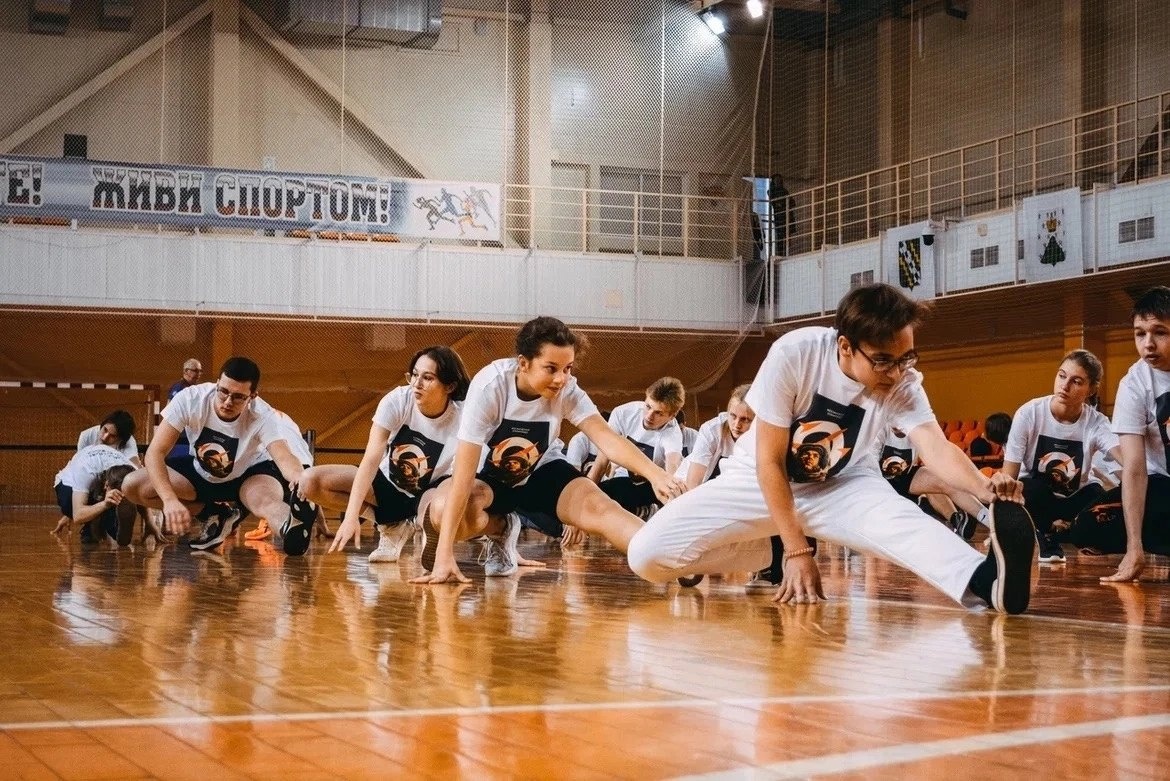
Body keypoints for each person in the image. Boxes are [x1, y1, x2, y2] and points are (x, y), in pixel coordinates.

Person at [626, 283, 1036, 615]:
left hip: (845, 484)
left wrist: (988, 491)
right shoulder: (795, 354)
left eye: (905, 358)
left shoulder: (904, 381)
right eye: (882, 361)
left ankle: (984, 581)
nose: (895, 373)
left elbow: (935, 447)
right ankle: (765, 547)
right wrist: (795, 549)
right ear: (844, 347)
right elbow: (770, 461)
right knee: (646, 556)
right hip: (757, 481)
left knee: (904, 527)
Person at [411, 316, 688, 584]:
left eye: (568, 368)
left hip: (542, 469)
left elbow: (607, 438)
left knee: (601, 507)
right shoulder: (490, 386)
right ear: (524, 363)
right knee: (442, 510)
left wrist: (655, 474)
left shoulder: (568, 390)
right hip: (489, 478)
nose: (561, 378)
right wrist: (444, 555)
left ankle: (674, 558)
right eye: (551, 368)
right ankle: (502, 529)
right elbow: (463, 474)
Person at [121, 356, 318, 555]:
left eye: (238, 397)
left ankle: (292, 528)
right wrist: (169, 500)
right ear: (217, 383)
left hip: (249, 476)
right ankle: (216, 514)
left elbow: (283, 455)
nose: (227, 402)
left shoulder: (264, 415)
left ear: (253, 396)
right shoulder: (191, 399)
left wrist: (299, 478)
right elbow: (155, 452)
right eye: (223, 392)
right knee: (132, 485)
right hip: (201, 473)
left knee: (266, 502)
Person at [300, 346, 470, 564]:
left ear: (450, 385)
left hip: (430, 491)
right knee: (310, 482)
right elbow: (370, 458)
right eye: (414, 375)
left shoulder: (464, 415)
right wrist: (352, 516)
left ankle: (430, 529)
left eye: (427, 378)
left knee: (437, 511)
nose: (416, 384)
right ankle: (392, 526)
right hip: (387, 485)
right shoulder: (398, 400)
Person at [1000, 349, 1122, 564]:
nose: (1064, 386)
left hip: (1077, 497)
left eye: (1076, 381)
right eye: (1062, 375)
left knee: (1103, 497)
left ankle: (1067, 531)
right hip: (1037, 496)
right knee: (1027, 486)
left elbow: (1127, 461)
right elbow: (1009, 474)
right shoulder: (1029, 413)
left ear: (1091, 389)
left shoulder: (1097, 422)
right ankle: (1047, 534)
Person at [1101, 286, 1170, 583]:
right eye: (1140, 334)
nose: (1148, 344)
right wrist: (1134, 547)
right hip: (1163, 488)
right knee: (1090, 527)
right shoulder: (1133, 383)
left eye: (1160, 332)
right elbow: (1135, 469)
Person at [589, 377, 686, 516]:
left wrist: (673, 513)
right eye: (648, 406)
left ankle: (650, 511)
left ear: (672, 416)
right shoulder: (623, 413)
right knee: (602, 496)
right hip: (625, 481)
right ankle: (641, 511)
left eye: (659, 413)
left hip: (653, 486)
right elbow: (601, 462)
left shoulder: (673, 433)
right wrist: (585, 499)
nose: (649, 416)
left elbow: (672, 469)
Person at [880, 426, 991, 541]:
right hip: (879, 483)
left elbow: (940, 455)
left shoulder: (918, 431)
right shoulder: (879, 429)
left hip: (904, 477)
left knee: (945, 480)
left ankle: (990, 522)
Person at [52, 445, 138, 546]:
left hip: (103, 484)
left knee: (115, 532)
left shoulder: (134, 472)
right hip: (67, 484)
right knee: (68, 504)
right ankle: (93, 522)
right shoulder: (85, 469)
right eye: (117, 494)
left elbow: (142, 495)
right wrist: (105, 504)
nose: (120, 496)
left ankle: (105, 516)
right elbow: (78, 515)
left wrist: (150, 523)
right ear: (106, 485)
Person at [678, 383, 754, 489]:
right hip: (687, 484)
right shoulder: (711, 430)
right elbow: (693, 482)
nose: (737, 425)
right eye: (732, 416)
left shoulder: (763, 435)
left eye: (744, 419)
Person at [168, 359, 203, 459]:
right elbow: (170, 412)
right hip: (180, 438)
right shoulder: (180, 388)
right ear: (186, 371)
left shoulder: (194, 389)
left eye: (200, 371)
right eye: (196, 370)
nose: (199, 374)